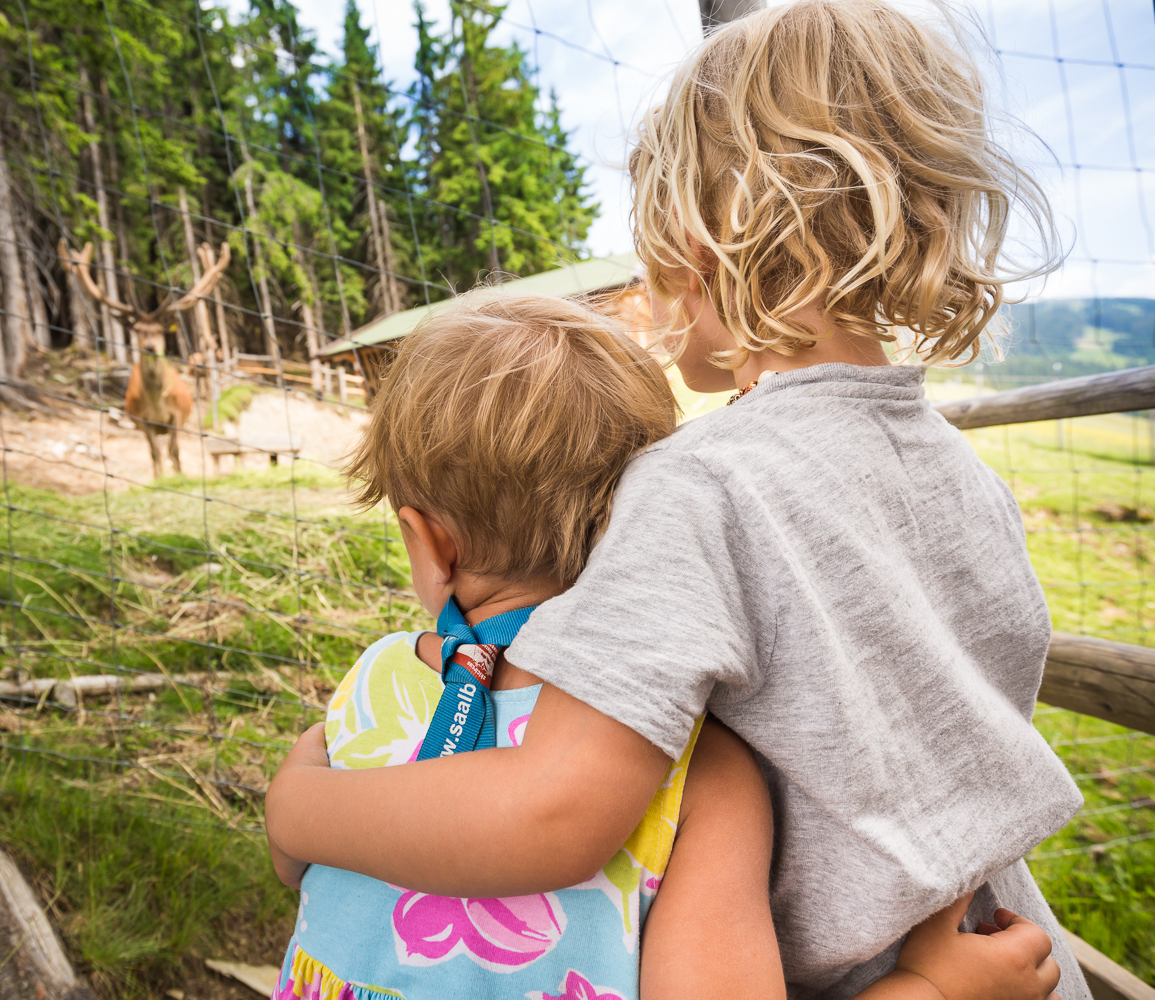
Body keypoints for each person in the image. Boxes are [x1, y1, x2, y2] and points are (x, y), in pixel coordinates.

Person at [265, 3, 1090, 998]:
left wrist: (296, 812)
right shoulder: (971, 479)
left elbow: (552, 813)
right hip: (1014, 947)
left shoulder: (698, 484)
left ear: (699, 240)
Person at [268, 291, 1063, 1000]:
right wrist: (932, 988)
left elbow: (297, 871)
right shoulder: (698, 772)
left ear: (427, 542)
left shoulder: (364, 699)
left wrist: (290, 806)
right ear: (643, 522)